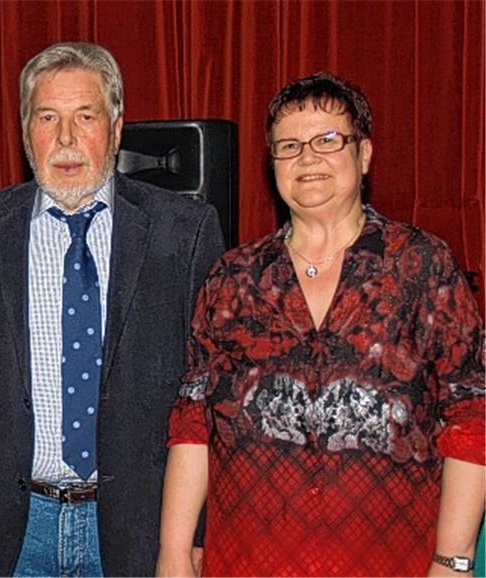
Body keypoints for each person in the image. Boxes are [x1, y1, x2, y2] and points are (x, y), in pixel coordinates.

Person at [157, 72, 485, 577]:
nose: (307, 158)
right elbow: (193, 425)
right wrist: (175, 554)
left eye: (328, 140)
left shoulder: (422, 266)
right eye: (289, 146)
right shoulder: (233, 278)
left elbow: (471, 419)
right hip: (247, 564)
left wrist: (453, 560)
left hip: (393, 565)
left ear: (365, 154)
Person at [0, 42, 225, 576]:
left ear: (116, 129)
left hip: (143, 532)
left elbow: (208, 399)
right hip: (10, 534)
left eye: (85, 117)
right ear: (26, 132)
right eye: (48, 118)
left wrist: (195, 538)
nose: (66, 139)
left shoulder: (184, 232)